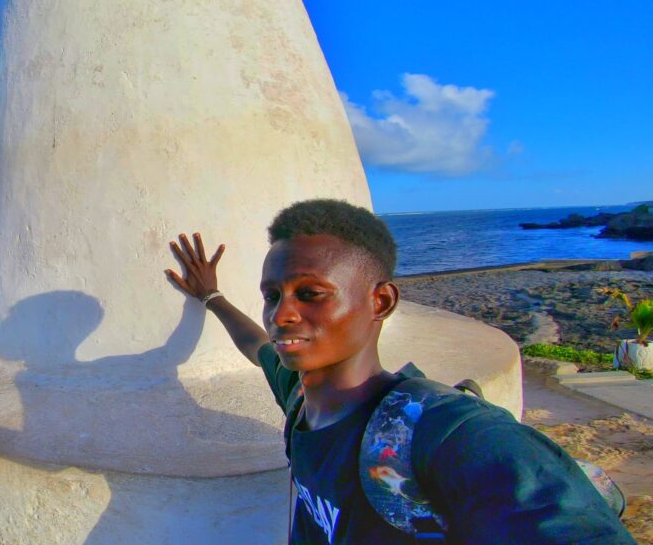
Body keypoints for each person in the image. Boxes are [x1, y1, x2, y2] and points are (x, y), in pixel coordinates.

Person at [165, 199, 634, 544]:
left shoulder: (444, 431)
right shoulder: (300, 396)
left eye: (310, 294)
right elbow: (258, 346)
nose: (281, 314)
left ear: (381, 301)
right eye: (273, 295)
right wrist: (212, 298)